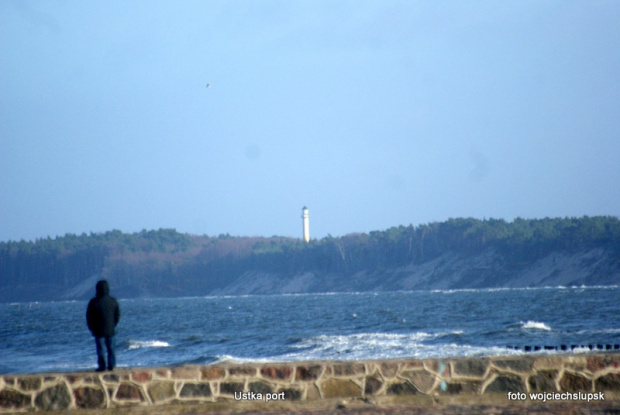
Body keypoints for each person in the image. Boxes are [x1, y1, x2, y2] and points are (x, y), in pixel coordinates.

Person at [86, 280, 120, 371]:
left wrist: (91, 327)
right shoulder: (113, 301)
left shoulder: (93, 302)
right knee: (111, 349)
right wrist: (113, 325)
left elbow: (89, 317)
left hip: (98, 330)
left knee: (101, 349)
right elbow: (117, 315)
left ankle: (102, 366)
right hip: (110, 329)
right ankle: (112, 365)